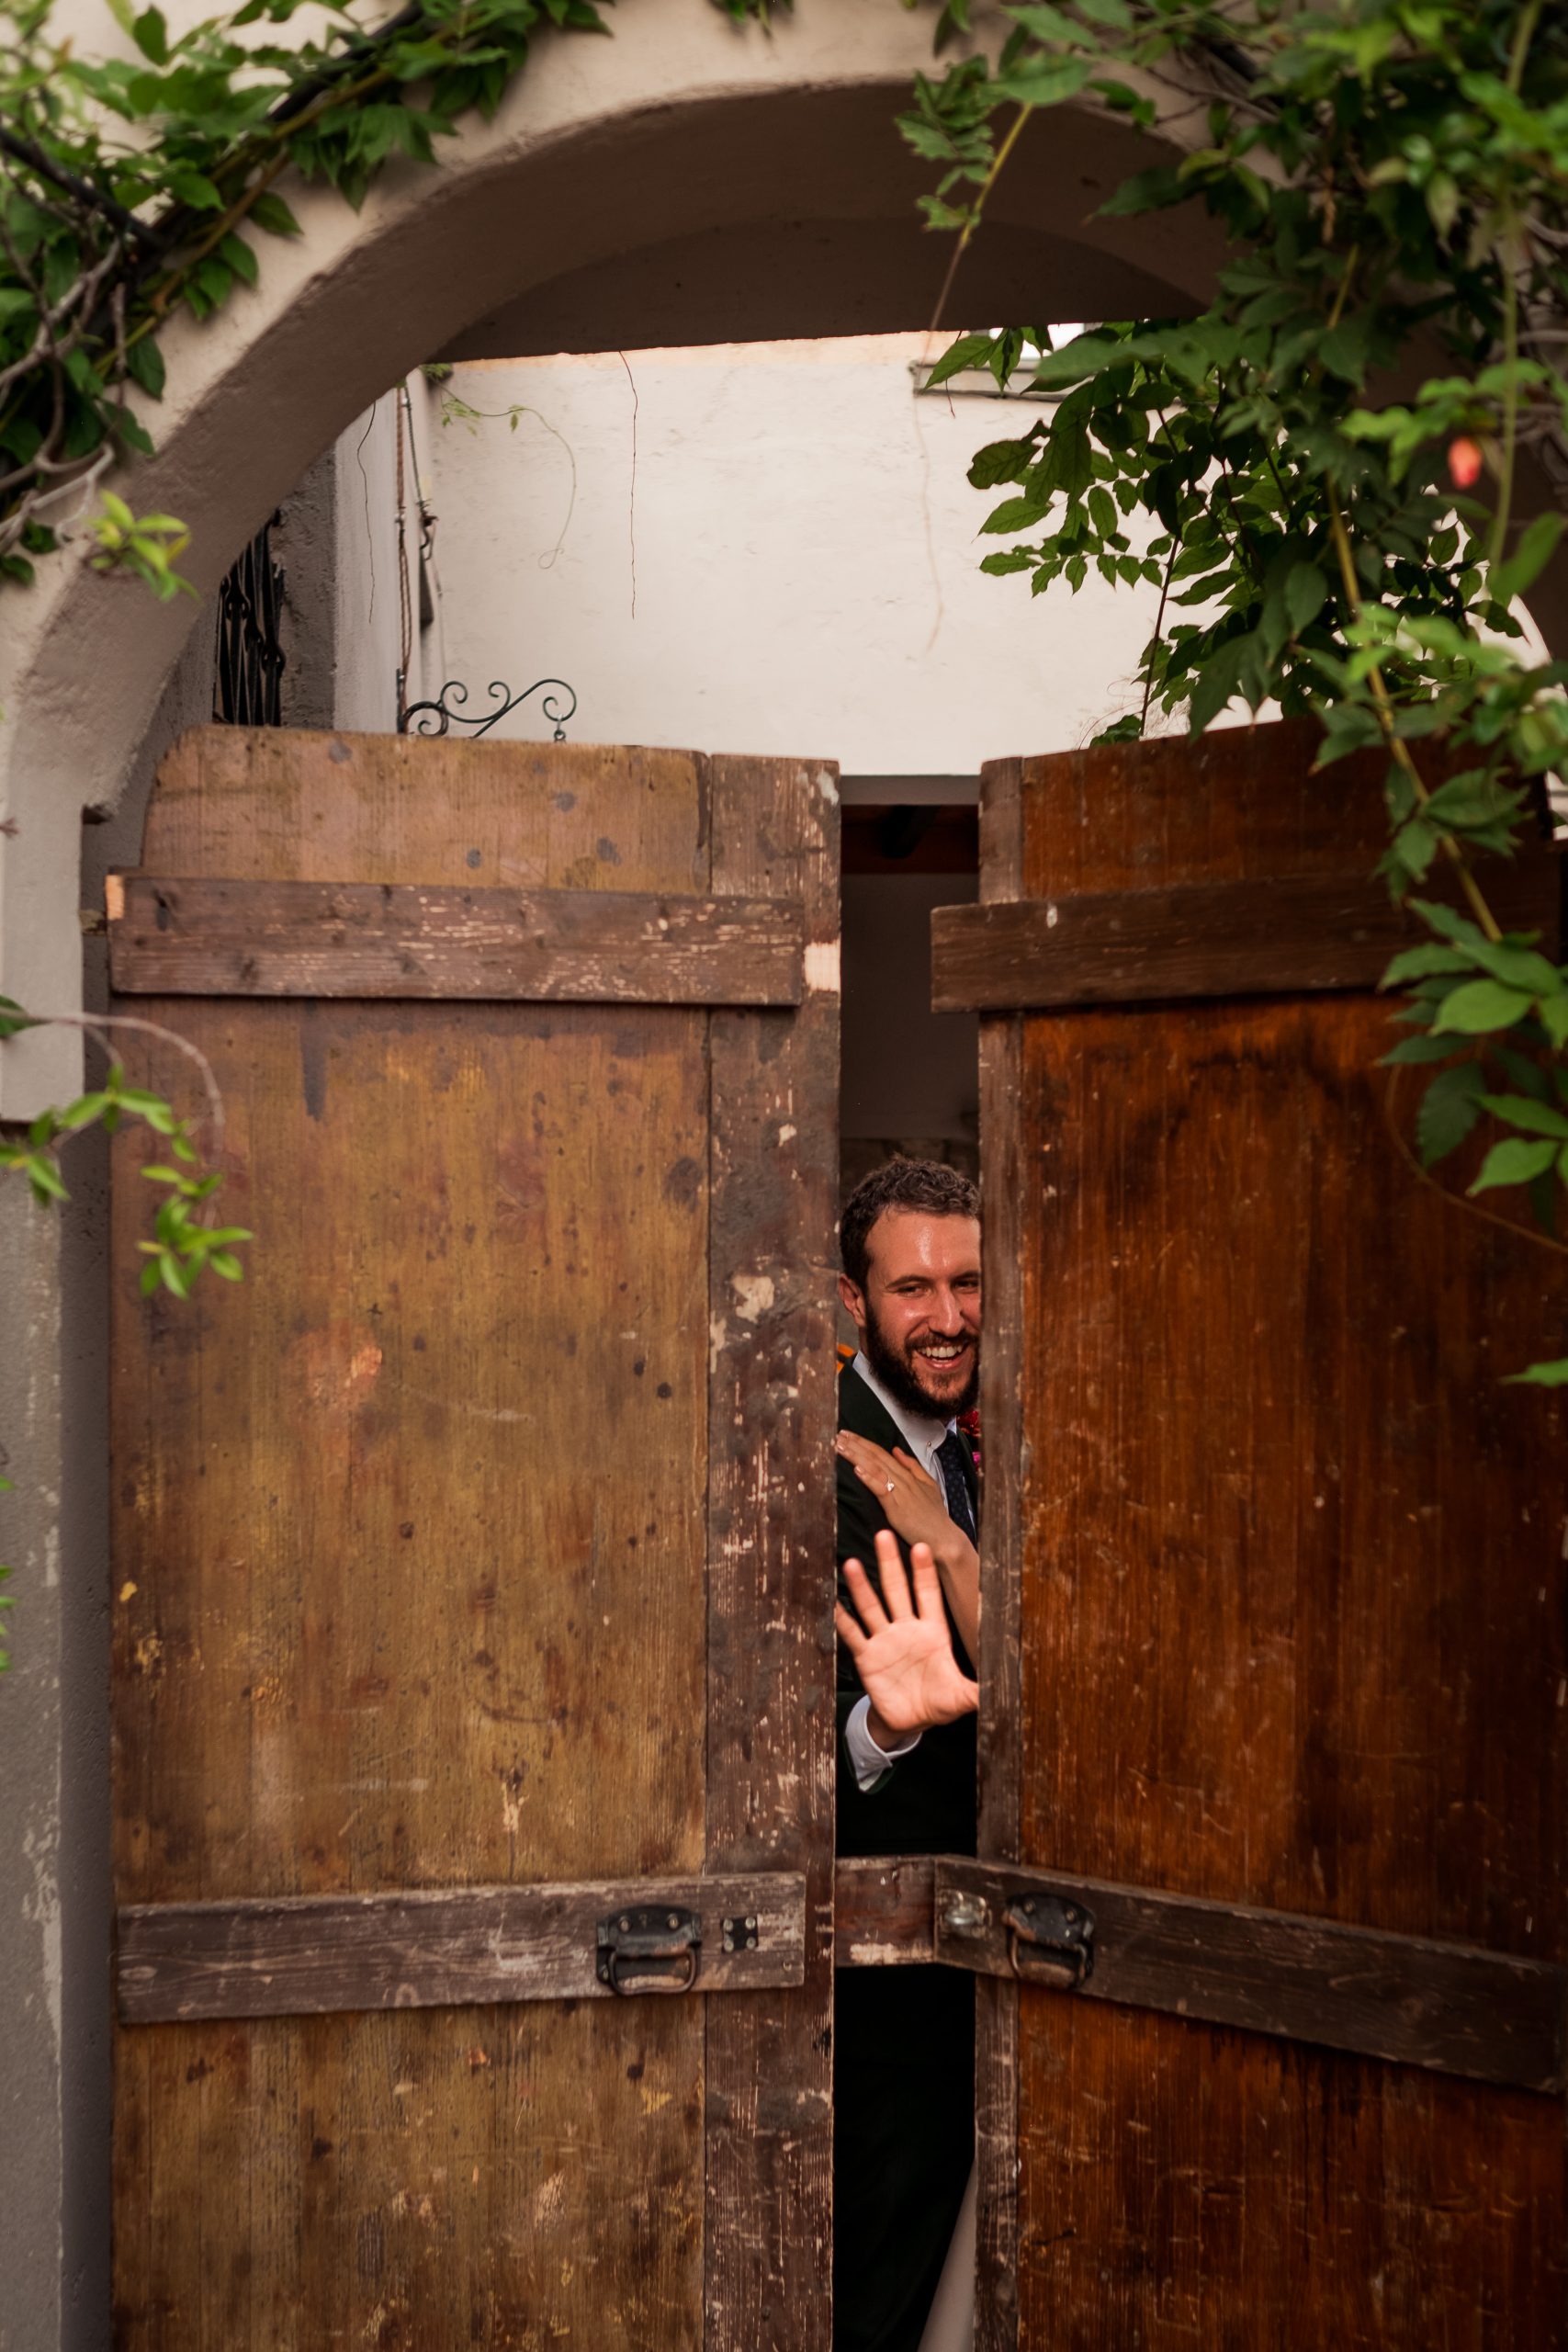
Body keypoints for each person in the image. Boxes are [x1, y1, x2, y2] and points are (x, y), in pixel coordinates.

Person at [830, 1159, 983, 2352]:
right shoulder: (827, 1472)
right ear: (853, 1303)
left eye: (969, 1282)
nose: (948, 1318)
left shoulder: (969, 1456)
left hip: (987, 1961)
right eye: (913, 1289)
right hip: (884, 1983)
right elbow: (786, 1746)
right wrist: (885, 1727)